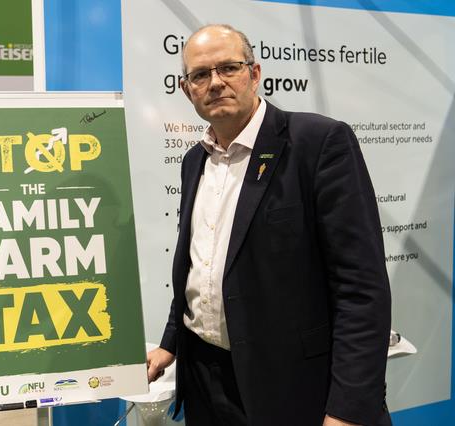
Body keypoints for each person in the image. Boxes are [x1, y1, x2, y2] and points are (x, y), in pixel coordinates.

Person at [146, 25, 392, 426]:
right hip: (205, 379)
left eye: (229, 67)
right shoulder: (195, 161)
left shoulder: (318, 143)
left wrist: (349, 409)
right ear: (186, 88)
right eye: (201, 75)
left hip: (291, 386)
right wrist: (171, 342)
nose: (216, 83)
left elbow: (362, 291)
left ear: (255, 73)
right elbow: (200, 266)